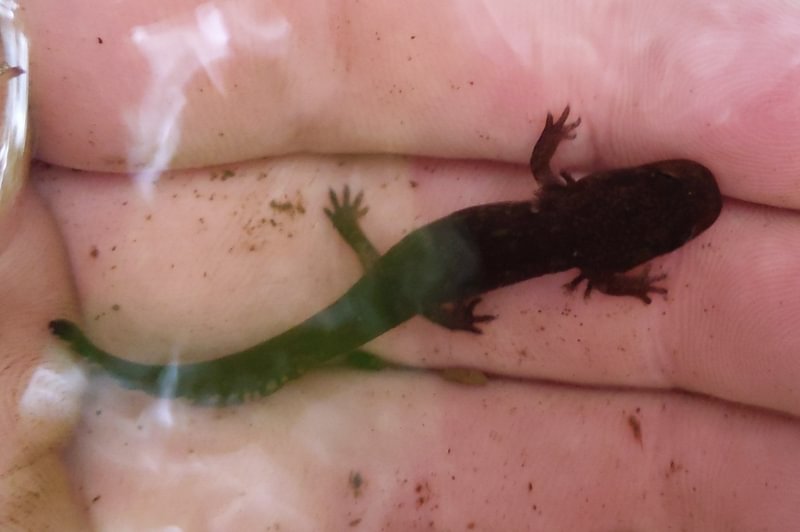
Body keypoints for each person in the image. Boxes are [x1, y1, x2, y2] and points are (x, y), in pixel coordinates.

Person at [4, 1, 800, 529]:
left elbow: (543, 168)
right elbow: (595, 277)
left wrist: (553, 140)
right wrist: (623, 285)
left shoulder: (566, 204)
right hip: (425, 282)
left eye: (673, 212)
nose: (678, 197)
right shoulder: (590, 248)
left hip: (420, 270)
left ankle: (145, 365)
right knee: (369, 307)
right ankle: (136, 366)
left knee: (367, 303)